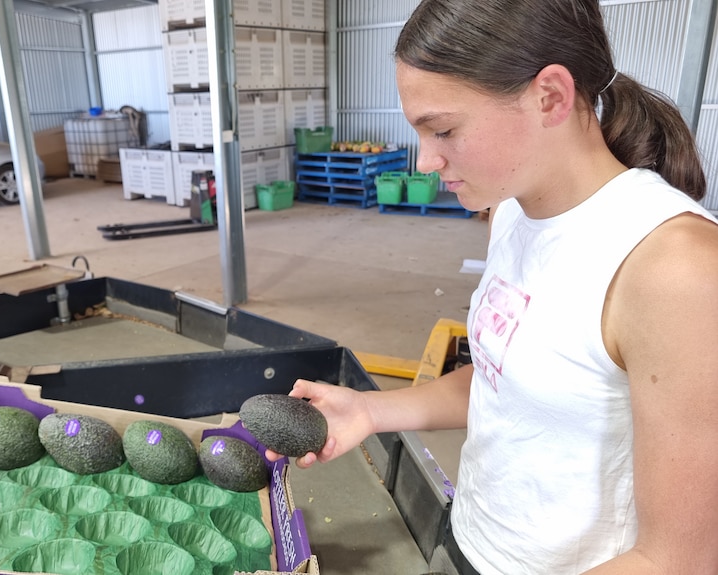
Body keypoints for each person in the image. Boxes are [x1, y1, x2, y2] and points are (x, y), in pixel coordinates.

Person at [266, 0, 718, 573]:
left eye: (445, 130)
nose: (426, 161)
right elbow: (503, 380)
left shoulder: (675, 269)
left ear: (550, 95)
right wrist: (370, 412)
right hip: (469, 540)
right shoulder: (509, 211)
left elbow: (678, 559)